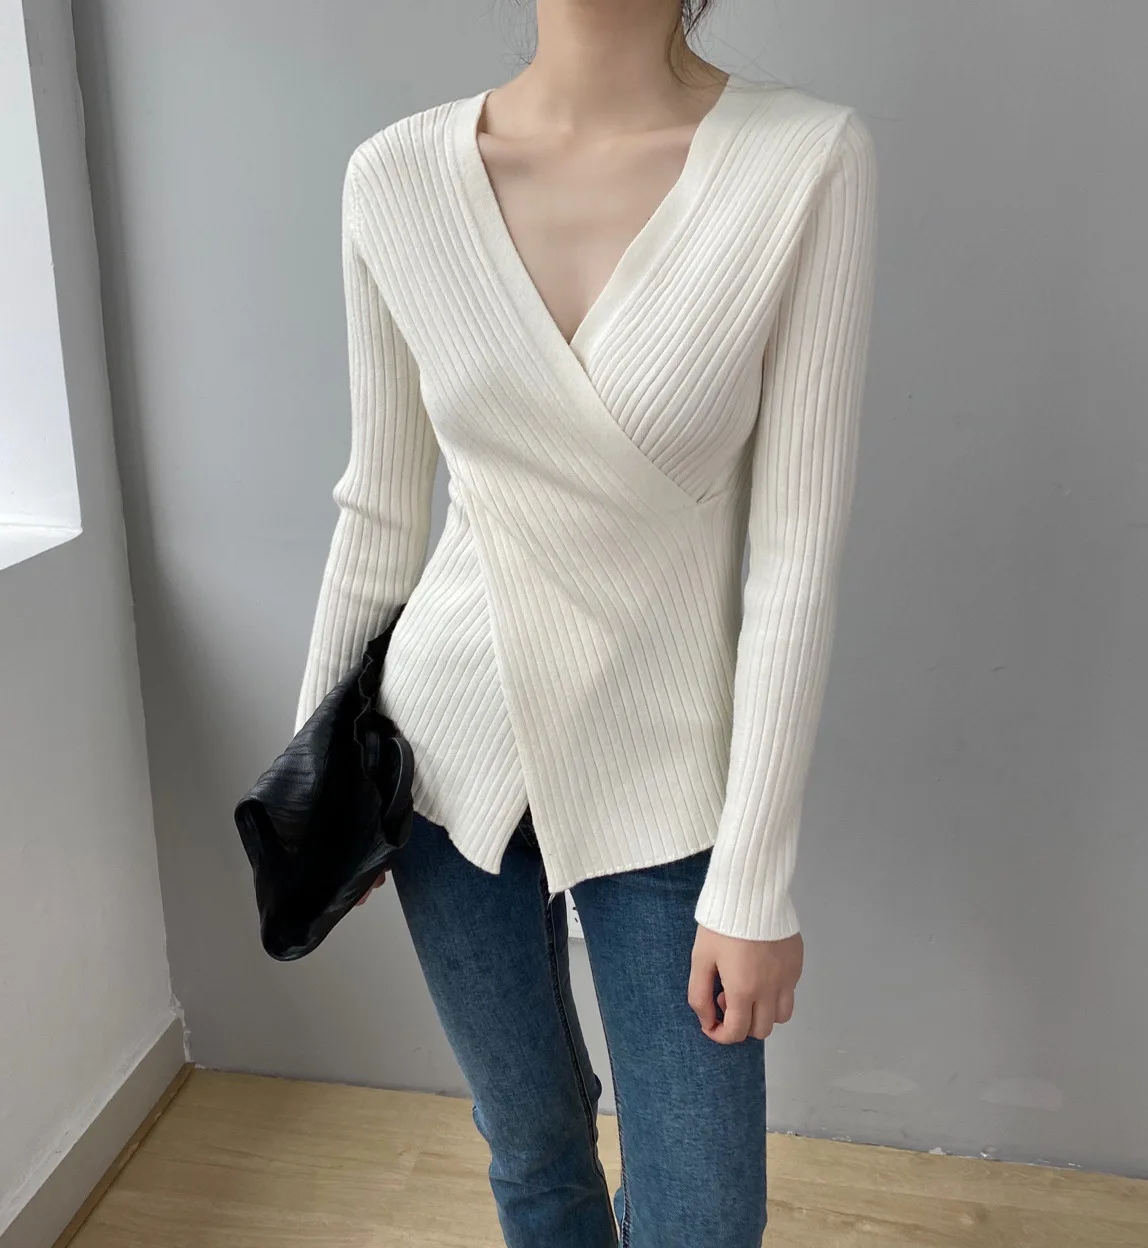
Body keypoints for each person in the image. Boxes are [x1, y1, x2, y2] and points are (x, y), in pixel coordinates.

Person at [293, 2, 878, 1243]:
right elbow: (379, 512)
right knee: (533, 1153)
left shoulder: (803, 162)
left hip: (665, 775)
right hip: (444, 767)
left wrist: (755, 883)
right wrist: (321, 793)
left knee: (701, 1219)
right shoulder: (396, 178)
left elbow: (794, 563)